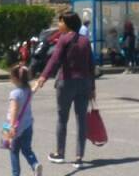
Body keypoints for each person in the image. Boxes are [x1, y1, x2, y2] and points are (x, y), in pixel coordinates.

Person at [33, 11, 95, 169]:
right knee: (81, 119)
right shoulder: (85, 40)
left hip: (66, 82)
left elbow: (54, 60)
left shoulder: (64, 39)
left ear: (67, 23)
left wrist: (43, 77)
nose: (58, 25)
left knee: (62, 118)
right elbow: (90, 65)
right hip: (84, 83)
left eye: (60, 22)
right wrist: (92, 87)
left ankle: (60, 153)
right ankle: (79, 157)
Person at [5, 65, 43, 176]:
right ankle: (35, 164)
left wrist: (11, 126)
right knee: (27, 149)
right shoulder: (28, 91)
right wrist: (37, 84)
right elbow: (33, 89)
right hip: (28, 125)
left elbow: (14, 110)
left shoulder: (15, 94)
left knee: (13, 151)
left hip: (15, 127)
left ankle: (15, 174)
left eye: (11, 77)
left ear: (16, 79)